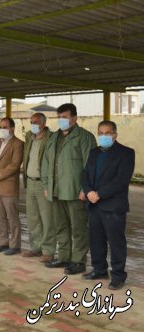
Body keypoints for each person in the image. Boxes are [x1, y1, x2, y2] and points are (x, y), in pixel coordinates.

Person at [42, 103, 96, 275]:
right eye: (59, 117)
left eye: (64, 117)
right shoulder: (53, 137)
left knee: (78, 227)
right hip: (56, 190)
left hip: (75, 190)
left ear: (74, 118)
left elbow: (91, 164)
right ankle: (64, 256)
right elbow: (46, 162)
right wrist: (46, 185)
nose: (61, 120)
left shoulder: (84, 137)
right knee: (61, 225)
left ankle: (79, 260)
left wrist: (85, 188)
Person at [81, 121, 135, 290]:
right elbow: (85, 174)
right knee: (96, 240)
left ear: (115, 135)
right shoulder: (94, 152)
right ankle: (99, 269)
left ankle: (118, 275)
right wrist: (88, 190)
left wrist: (99, 194)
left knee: (116, 242)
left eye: (107, 133)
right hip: (94, 204)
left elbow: (121, 180)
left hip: (113, 205)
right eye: (100, 133)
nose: (103, 136)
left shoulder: (126, 153)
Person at [0, 117, 24, 255]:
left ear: (12, 128)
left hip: (8, 186)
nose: (2, 129)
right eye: (0, 126)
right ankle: (2, 242)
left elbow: (15, 165)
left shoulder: (18, 144)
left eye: (5, 127)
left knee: (12, 217)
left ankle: (15, 245)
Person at [22, 113, 55, 262]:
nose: (33, 124)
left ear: (44, 123)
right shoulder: (29, 137)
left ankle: (48, 250)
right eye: (31, 122)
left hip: (43, 183)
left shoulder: (51, 138)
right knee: (32, 217)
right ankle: (36, 247)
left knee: (47, 218)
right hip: (30, 182)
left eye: (36, 122)